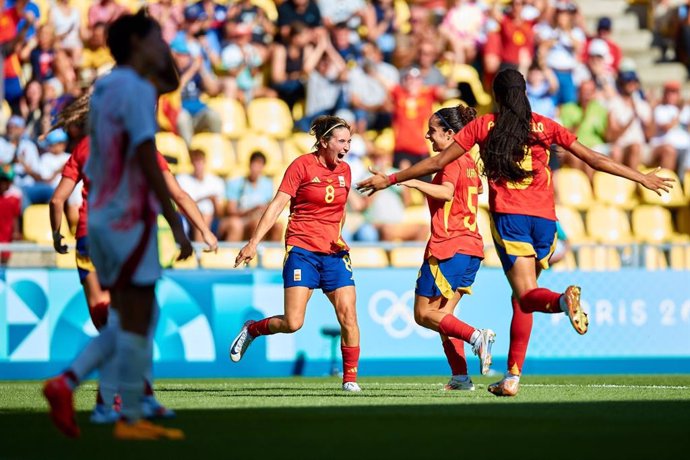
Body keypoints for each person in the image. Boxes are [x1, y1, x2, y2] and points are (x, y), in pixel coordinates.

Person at [357, 68, 673, 397]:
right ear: (524, 93)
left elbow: (437, 164)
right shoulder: (544, 125)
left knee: (526, 295)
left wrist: (391, 179)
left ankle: (563, 301)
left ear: (496, 95)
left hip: (512, 220)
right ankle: (512, 377)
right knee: (521, 298)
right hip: (546, 221)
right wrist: (641, 178)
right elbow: (592, 158)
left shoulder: (485, 125)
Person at [43, 11, 192, 439]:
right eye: (157, 38)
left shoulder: (109, 84)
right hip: (129, 216)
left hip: (103, 218)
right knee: (134, 318)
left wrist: (158, 48)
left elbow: (170, 82)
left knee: (138, 314)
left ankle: (122, 410)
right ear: (138, 44)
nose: (164, 43)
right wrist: (174, 222)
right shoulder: (134, 90)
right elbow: (146, 156)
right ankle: (73, 387)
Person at [47, 94, 218, 425]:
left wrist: (57, 236)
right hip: (124, 239)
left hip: (88, 236)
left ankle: (108, 401)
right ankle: (78, 385)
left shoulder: (86, 146)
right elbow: (176, 194)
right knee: (134, 319)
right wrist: (196, 232)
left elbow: (57, 201)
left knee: (120, 318)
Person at [229, 115, 362, 392]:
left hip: (334, 253)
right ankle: (252, 329)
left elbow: (341, 210)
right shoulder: (301, 166)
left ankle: (350, 379)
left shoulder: (346, 171)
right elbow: (277, 205)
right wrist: (253, 242)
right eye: (341, 141)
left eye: (349, 141)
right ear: (324, 142)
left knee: (348, 314)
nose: (347, 147)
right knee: (293, 322)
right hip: (302, 250)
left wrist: (336, 236)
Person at [400, 105, 495, 390]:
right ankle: (461, 377)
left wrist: (415, 182)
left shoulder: (450, 161)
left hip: (448, 246)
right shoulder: (467, 161)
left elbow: (447, 192)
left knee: (423, 314)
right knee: (444, 318)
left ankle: (477, 336)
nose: (428, 136)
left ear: (450, 133)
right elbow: (473, 191)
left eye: (432, 131)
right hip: (472, 248)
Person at [224, 151, 281, 242]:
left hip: (260, 218)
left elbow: (270, 206)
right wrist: (252, 210)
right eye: (255, 164)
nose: (256, 169)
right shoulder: (236, 183)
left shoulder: (268, 184)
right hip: (244, 219)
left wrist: (263, 209)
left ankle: (273, 255)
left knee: (278, 226)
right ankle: (256, 252)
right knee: (256, 223)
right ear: (250, 165)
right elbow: (231, 210)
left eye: (260, 165)